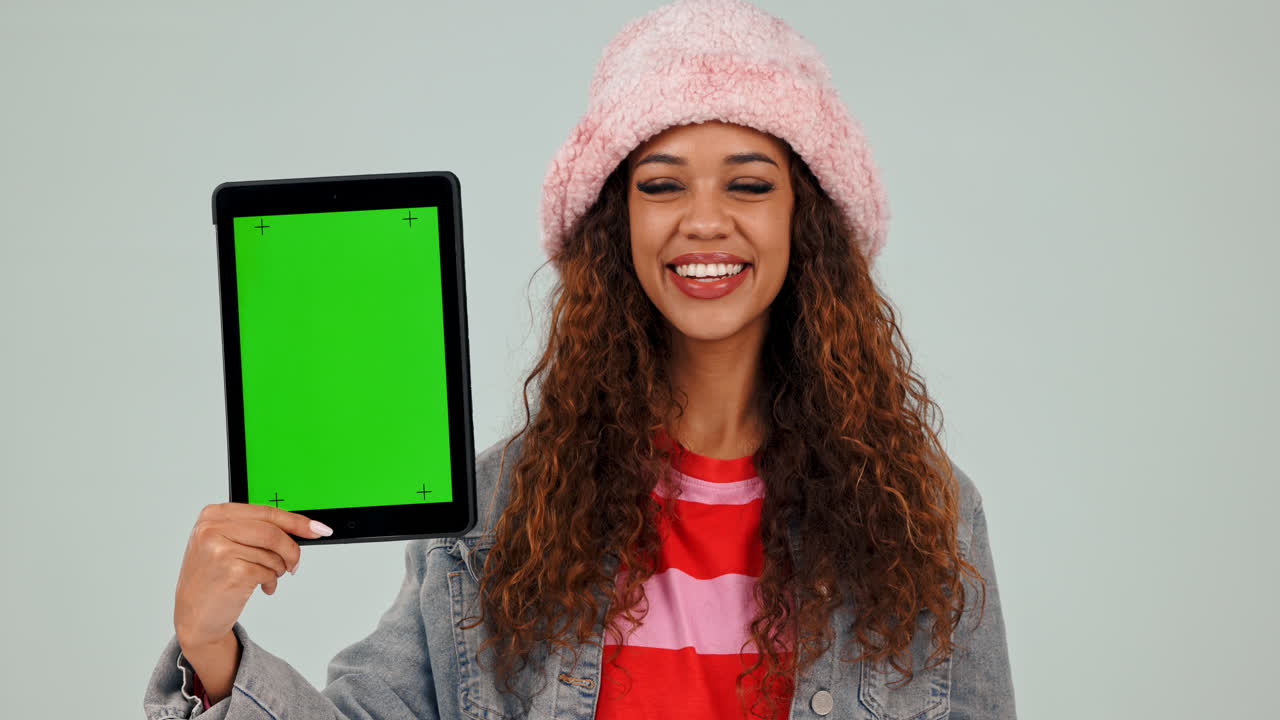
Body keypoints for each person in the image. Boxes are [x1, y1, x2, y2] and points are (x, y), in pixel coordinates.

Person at [143, 0, 1017, 718]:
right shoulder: (493, 519)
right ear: (614, 225)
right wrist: (210, 648)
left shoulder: (925, 518)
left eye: (749, 183)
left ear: (806, 222)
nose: (704, 220)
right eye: (662, 183)